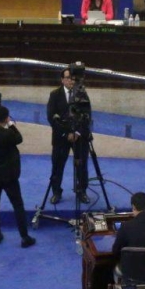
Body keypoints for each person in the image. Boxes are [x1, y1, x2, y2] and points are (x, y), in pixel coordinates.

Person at [0, 105, 35, 248]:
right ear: (6, 118)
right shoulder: (9, 134)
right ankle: (24, 237)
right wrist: (10, 124)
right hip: (8, 175)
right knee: (17, 205)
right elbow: (19, 138)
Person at [46, 66, 90, 204]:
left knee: (82, 166)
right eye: (67, 78)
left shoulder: (82, 94)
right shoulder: (55, 94)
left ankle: (81, 191)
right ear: (62, 80)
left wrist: (77, 132)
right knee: (58, 166)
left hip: (80, 137)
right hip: (61, 138)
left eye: (72, 78)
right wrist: (66, 134)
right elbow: (51, 117)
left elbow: (87, 115)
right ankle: (56, 192)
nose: (71, 80)